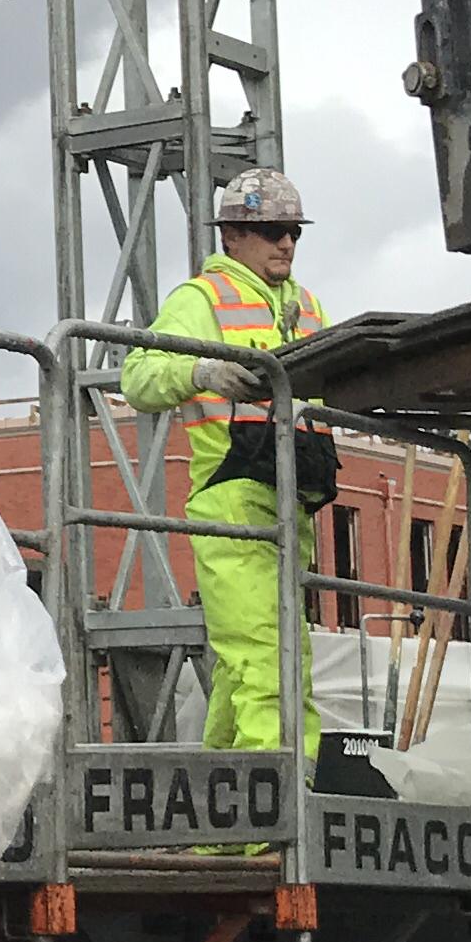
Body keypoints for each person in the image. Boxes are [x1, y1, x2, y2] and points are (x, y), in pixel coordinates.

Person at [119, 167, 337, 763]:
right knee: (269, 661)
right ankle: (285, 808)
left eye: (292, 230)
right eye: (270, 230)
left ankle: (224, 824)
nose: (286, 242)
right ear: (233, 237)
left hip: (292, 500)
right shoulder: (202, 299)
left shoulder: (307, 307)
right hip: (232, 501)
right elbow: (137, 376)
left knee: (252, 667)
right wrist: (202, 371)